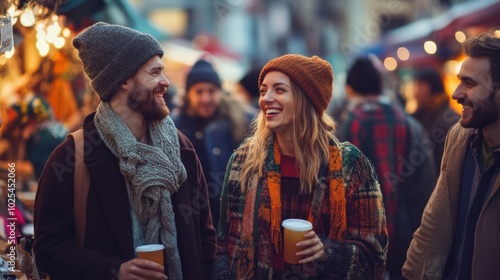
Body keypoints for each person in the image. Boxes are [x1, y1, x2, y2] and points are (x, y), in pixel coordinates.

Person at [33, 22, 216, 280]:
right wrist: (114, 270)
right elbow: (48, 250)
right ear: (124, 80)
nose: (166, 82)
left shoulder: (181, 149)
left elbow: (205, 239)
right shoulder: (72, 158)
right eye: (154, 72)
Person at [213, 54, 388, 279]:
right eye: (263, 90)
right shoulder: (244, 160)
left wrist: (328, 252)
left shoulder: (351, 166)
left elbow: (376, 254)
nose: (266, 98)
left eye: (279, 89)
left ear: (306, 99)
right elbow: (223, 244)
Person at [403, 33, 500, 280]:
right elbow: (432, 225)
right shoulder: (459, 137)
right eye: (459, 81)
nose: (456, 93)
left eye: (469, 83)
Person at [341, 55, 437, 280]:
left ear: (349, 89)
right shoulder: (409, 124)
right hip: (405, 235)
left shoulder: (344, 127)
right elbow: (426, 185)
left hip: (355, 240)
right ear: (380, 85)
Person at [171, 59, 252, 229]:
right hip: (191, 220)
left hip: (232, 219)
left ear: (220, 92)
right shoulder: (174, 126)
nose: (206, 98)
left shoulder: (240, 121)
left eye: (211, 91)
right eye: (199, 91)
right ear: (188, 94)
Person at [411, 68, 460, 174]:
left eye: (418, 86)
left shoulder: (450, 121)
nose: (415, 94)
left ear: (428, 88)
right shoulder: (422, 115)